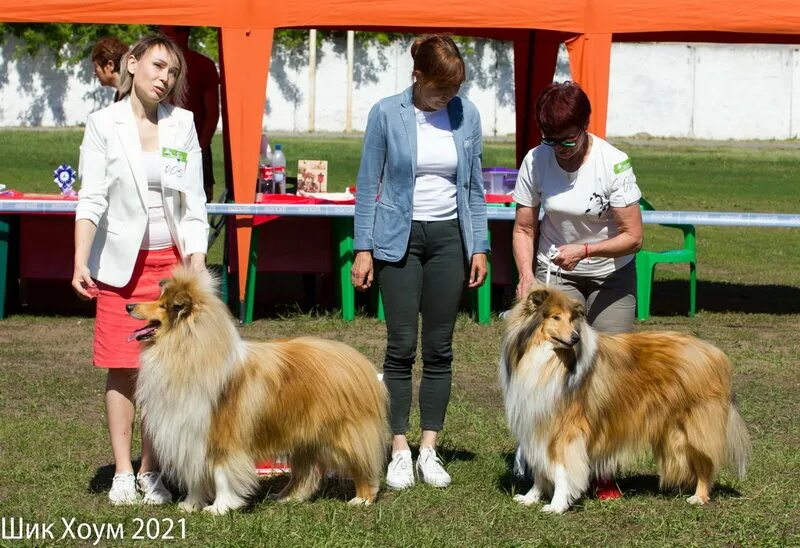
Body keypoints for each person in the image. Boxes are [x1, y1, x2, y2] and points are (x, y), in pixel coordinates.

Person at [72, 34, 209, 505]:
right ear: (131, 64)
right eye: (156, 66)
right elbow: (90, 198)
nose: (164, 78)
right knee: (121, 368)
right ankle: (123, 472)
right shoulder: (102, 124)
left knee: (162, 373)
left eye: (172, 72)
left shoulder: (183, 124)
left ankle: (152, 471)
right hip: (118, 266)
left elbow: (194, 201)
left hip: (170, 268)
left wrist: (196, 257)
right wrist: (79, 258)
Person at [351, 34, 489, 490]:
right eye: (439, 88)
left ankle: (429, 448)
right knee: (401, 343)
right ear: (417, 77)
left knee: (439, 347)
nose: (448, 97)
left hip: (450, 239)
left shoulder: (467, 115)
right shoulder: (386, 113)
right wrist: (364, 248)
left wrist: (480, 246)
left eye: (453, 88)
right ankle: (398, 447)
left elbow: (473, 188)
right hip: (399, 240)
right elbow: (369, 183)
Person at [511, 81, 643, 499]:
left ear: (586, 126)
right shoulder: (537, 160)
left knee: (611, 370)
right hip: (558, 271)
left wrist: (587, 249)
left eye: (567, 141)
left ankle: (604, 468)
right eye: (550, 140)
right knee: (557, 368)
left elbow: (633, 236)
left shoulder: (613, 163)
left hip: (610, 272)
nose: (559, 150)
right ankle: (544, 457)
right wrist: (526, 276)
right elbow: (524, 227)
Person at [159, 26, 221, 203]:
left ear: (183, 34)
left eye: (165, 34)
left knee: (196, 203)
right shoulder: (156, 65)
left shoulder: (204, 65)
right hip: (163, 143)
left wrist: (200, 149)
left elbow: (212, 113)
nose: (161, 38)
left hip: (195, 144)